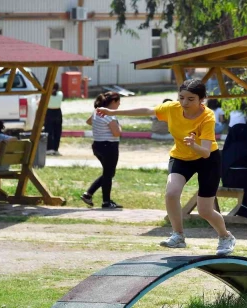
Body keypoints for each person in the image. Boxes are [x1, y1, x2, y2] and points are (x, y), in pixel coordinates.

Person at [96, 79, 236, 254]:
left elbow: (206, 152)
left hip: (207, 160)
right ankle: (178, 236)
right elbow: (148, 110)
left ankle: (225, 236)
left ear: (202, 100)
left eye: (190, 99)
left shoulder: (207, 116)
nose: (184, 103)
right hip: (181, 157)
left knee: (205, 210)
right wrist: (112, 110)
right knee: (171, 193)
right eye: (181, 97)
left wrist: (193, 145)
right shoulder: (173, 108)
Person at [81, 92, 123, 209]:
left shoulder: (97, 111)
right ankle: (106, 202)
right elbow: (116, 133)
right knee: (108, 174)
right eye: (118, 102)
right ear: (113, 102)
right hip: (109, 147)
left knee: (108, 173)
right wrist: (119, 126)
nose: (119, 105)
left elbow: (89, 121)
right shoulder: (110, 115)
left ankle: (88, 194)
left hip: (97, 145)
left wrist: (100, 127)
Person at [44, 83, 64, 156]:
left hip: (49, 112)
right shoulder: (60, 94)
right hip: (58, 113)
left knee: (48, 131)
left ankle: (49, 148)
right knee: (57, 132)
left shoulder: (47, 95)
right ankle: (56, 149)